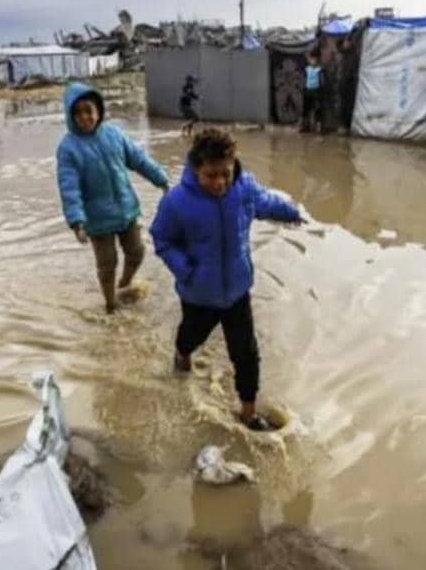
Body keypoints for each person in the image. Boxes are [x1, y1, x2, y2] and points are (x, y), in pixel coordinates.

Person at [150, 128, 304, 431]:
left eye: (226, 174)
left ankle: (248, 413)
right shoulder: (176, 202)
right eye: (211, 175)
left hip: (237, 291)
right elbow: (162, 239)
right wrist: (186, 271)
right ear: (196, 169)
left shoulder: (243, 188)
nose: (220, 182)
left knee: (246, 354)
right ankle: (182, 354)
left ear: (234, 166)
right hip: (198, 294)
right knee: (191, 336)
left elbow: (264, 201)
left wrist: (291, 212)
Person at [56, 81, 170, 314]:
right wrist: (77, 222)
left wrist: (162, 180)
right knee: (107, 264)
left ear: (99, 110)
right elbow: (69, 188)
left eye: (88, 110)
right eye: (77, 113)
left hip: (126, 210)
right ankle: (110, 303)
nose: (84, 117)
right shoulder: (68, 148)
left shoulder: (114, 134)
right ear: (70, 116)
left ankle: (125, 283)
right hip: (97, 220)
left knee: (137, 252)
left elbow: (139, 159)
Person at [300, 51, 323, 133]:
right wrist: (303, 88)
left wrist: (321, 90)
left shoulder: (320, 69)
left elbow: (322, 80)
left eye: (315, 59)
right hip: (308, 90)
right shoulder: (307, 69)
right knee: (306, 109)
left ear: (318, 59)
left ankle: (318, 126)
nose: (313, 61)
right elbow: (304, 79)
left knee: (317, 109)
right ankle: (305, 125)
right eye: (312, 59)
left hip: (316, 91)